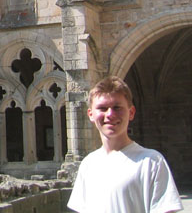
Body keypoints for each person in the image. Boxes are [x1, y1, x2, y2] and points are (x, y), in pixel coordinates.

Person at [68, 76, 182, 213]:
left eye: (117, 107)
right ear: (91, 114)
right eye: (102, 108)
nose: (110, 114)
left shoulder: (152, 162)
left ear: (131, 112)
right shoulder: (88, 164)